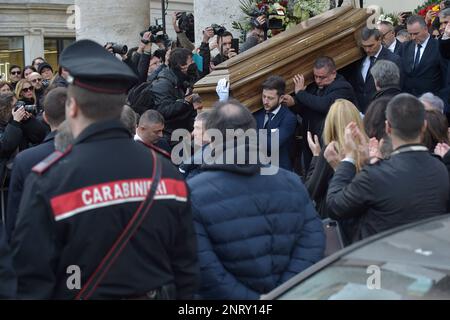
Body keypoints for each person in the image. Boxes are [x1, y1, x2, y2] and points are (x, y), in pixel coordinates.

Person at [11, 39, 198, 299]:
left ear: (72, 107)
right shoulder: (166, 172)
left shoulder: (50, 179)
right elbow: (187, 271)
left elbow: (33, 279)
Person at [188, 100, 325, 300]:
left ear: (212, 137)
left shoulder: (192, 193)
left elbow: (203, 266)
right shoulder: (292, 182)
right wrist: (284, 292)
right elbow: (312, 243)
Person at [327, 94, 449, 242]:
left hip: (386, 260)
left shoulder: (376, 175)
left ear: (388, 127)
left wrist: (348, 159)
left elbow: (334, 206)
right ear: (424, 126)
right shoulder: (441, 169)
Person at [5, 88, 67, 241]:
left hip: (40, 242)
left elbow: (41, 135)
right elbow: (6, 145)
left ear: (45, 117)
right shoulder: (25, 160)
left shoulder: (25, 160)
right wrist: (14, 123)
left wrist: (28, 120)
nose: (20, 109)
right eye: (15, 106)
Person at [284, 56, 357, 171]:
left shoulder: (342, 87)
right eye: (315, 76)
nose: (318, 80)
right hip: (311, 142)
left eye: (322, 77)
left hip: (331, 145)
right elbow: (308, 109)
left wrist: (300, 93)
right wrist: (294, 103)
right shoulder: (315, 87)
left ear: (333, 73)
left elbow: (323, 105)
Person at [343, 27, 402, 113]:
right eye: (364, 46)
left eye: (371, 46)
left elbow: (395, 89)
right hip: (359, 111)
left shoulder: (393, 60)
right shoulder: (358, 59)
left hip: (380, 111)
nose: (367, 50)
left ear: (379, 40)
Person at [254, 76, 297, 171]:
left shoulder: (289, 118)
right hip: (258, 170)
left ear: (281, 98)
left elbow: (272, 145)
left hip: (279, 171)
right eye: (263, 96)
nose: (265, 101)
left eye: (270, 98)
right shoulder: (257, 114)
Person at [401, 15, 449, 100]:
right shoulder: (405, 47)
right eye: (410, 34)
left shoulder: (439, 47)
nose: (413, 37)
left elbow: (446, 77)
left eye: (416, 33)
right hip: (409, 102)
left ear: (426, 29)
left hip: (432, 102)